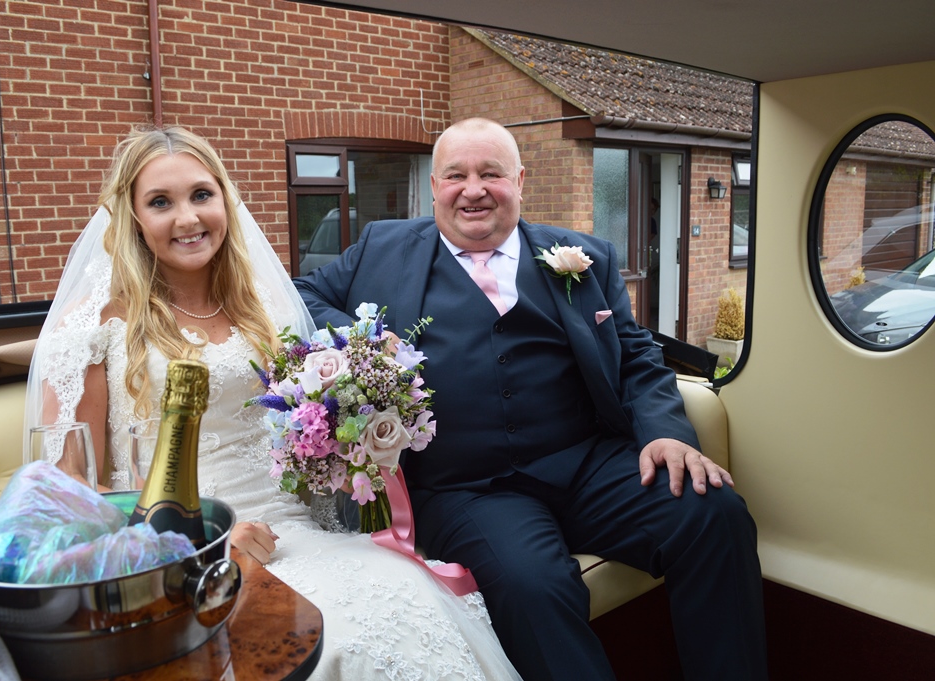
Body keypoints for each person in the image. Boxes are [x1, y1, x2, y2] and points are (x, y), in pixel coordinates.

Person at [25, 126, 523, 680]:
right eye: (160, 202)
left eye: (201, 195)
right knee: (331, 644)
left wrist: (348, 436)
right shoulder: (92, 331)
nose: (188, 218)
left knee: (411, 601)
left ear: (225, 201)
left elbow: (295, 434)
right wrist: (196, 542)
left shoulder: (262, 310)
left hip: (296, 532)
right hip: (179, 560)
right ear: (132, 218)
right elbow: (68, 491)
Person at [295, 117, 768, 680]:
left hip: (587, 462)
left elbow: (637, 354)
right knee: (533, 585)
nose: (474, 189)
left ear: (519, 180)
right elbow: (304, 293)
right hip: (468, 488)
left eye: (491, 173)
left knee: (713, 514)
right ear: (434, 189)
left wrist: (666, 432)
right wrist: (365, 343)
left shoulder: (585, 256)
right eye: (456, 175)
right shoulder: (382, 246)